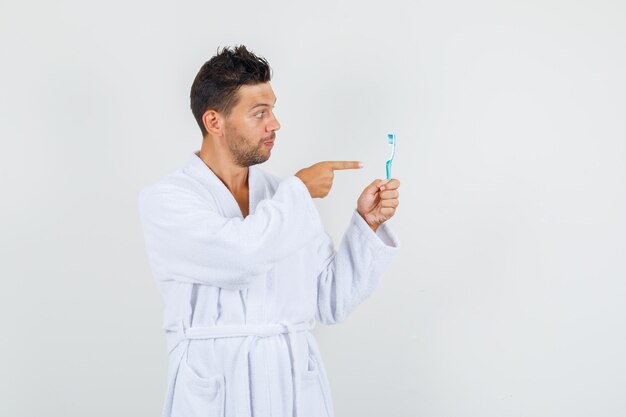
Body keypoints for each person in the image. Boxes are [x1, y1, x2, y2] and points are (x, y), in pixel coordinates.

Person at [138, 45, 401, 417]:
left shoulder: (281, 197)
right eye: (259, 113)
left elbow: (330, 300)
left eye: (273, 110)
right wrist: (299, 190)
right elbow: (241, 256)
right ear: (214, 122)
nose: (275, 124)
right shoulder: (167, 201)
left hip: (292, 386)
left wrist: (367, 225)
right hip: (216, 389)